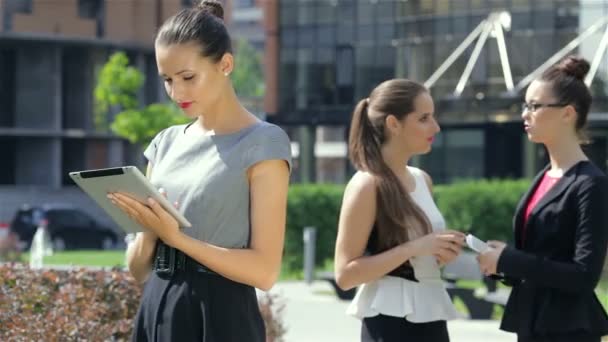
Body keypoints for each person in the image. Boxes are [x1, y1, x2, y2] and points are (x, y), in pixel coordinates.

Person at [107, 1, 292, 341]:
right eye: (167, 79)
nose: (176, 92)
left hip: (220, 315)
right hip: (156, 306)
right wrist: (150, 230)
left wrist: (176, 237)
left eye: (188, 77)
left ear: (226, 64)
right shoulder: (165, 143)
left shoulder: (264, 142)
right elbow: (137, 270)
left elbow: (265, 272)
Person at [477, 56, 608, 342]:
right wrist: (501, 263)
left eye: (535, 106)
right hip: (532, 322)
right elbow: (541, 256)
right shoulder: (545, 177)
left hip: (568, 329)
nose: (525, 114)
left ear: (567, 114)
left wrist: (511, 259)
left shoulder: (591, 184)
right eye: (526, 105)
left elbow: (584, 275)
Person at [334, 79, 466, 342]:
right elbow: (345, 274)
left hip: (431, 317)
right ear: (394, 124)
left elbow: (418, 253)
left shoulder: (422, 179)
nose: (435, 127)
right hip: (390, 324)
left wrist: (439, 252)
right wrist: (416, 248)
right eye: (424, 118)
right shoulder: (367, 184)